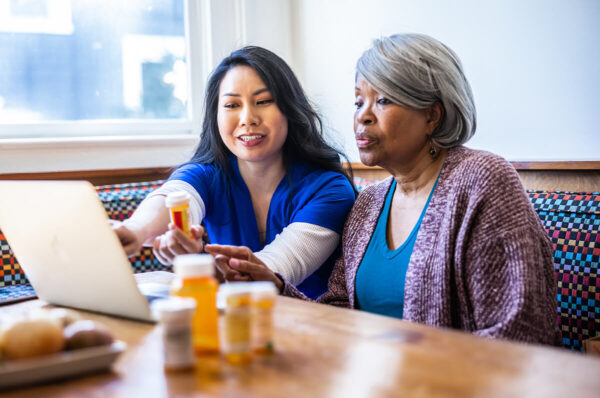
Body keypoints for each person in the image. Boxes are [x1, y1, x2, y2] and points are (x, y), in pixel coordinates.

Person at [206, 34, 560, 345]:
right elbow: (340, 316)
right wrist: (274, 286)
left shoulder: (482, 180)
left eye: (384, 100)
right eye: (358, 101)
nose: (363, 116)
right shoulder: (369, 203)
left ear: (432, 115)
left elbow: (521, 333)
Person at [114, 46, 356, 299]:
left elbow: (271, 272)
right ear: (215, 116)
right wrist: (133, 231)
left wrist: (196, 262)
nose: (247, 118)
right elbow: (174, 198)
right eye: (231, 105)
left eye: (263, 102)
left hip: (311, 325)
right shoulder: (207, 175)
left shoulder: (330, 190)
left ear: (289, 110)